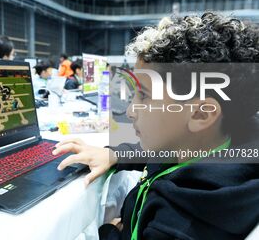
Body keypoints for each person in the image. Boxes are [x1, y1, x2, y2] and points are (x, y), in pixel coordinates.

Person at [53, 12, 259, 239]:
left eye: (144, 96)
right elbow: (164, 148)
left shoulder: (178, 226)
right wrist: (115, 154)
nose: (131, 110)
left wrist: (110, 231)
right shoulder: (223, 139)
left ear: (201, 114)